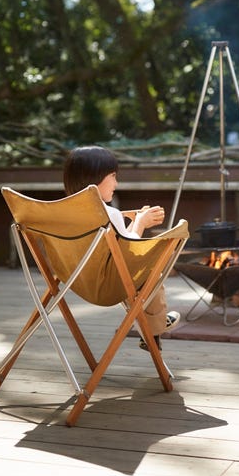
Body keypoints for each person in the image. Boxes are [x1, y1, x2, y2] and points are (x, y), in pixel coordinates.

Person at [63, 145, 181, 351]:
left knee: (135, 270)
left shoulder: (63, 215)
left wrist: (134, 222)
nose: (116, 183)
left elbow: (117, 247)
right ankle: (153, 327)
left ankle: (153, 324)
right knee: (151, 267)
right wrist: (141, 223)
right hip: (109, 287)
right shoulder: (108, 214)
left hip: (75, 282)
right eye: (113, 176)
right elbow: (130, 251)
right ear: (95, 176)